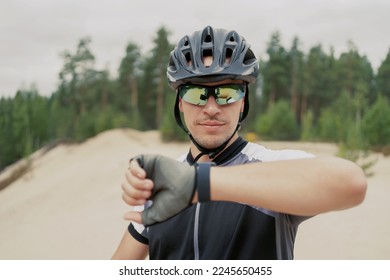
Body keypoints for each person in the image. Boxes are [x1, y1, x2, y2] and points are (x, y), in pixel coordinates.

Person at [112, 26, 367, 260]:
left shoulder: (273, 167)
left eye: (227, 93)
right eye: (196, 93)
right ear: (180, 102)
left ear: (243, 101)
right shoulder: (162, 182)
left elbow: (352, 183)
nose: (211, 108)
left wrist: (198, 184)